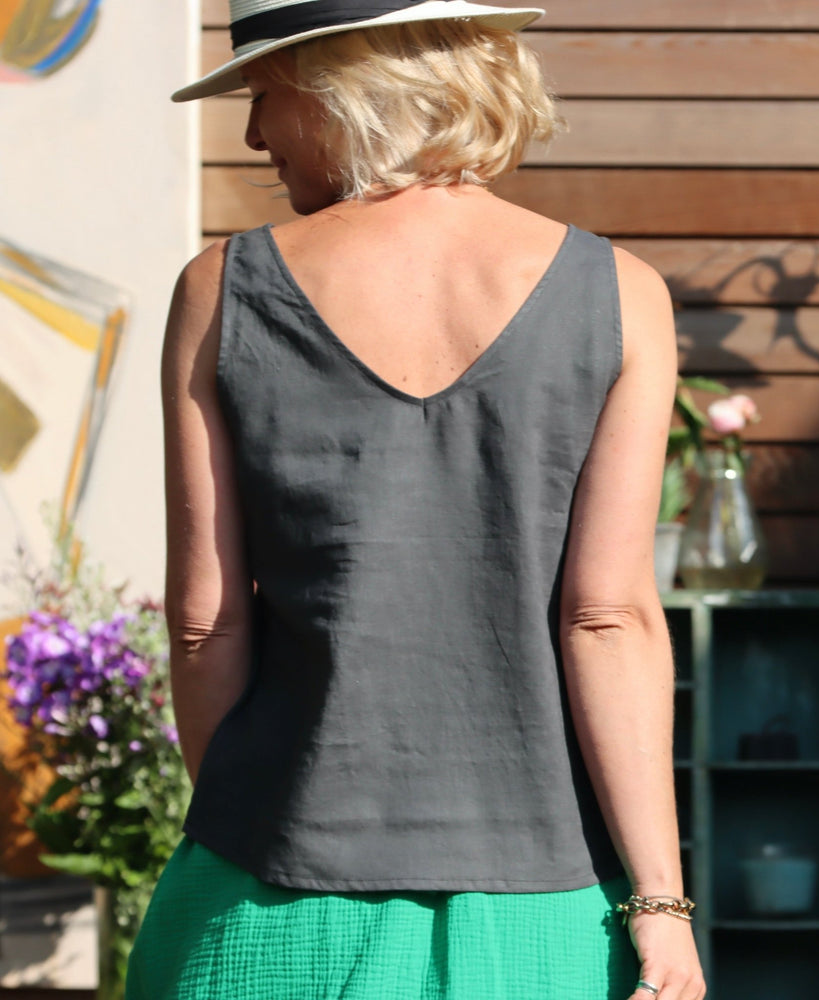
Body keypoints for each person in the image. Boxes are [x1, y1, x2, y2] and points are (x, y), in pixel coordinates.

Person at [126, 1, 705, 998]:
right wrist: (659, 904)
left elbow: (204, 626)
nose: (254, 133)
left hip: (264, 898)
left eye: (263, 93)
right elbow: (607, 618)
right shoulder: (621, 294)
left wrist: (255, 816)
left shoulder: (222, 290)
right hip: (546, 916)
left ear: (342, 84)